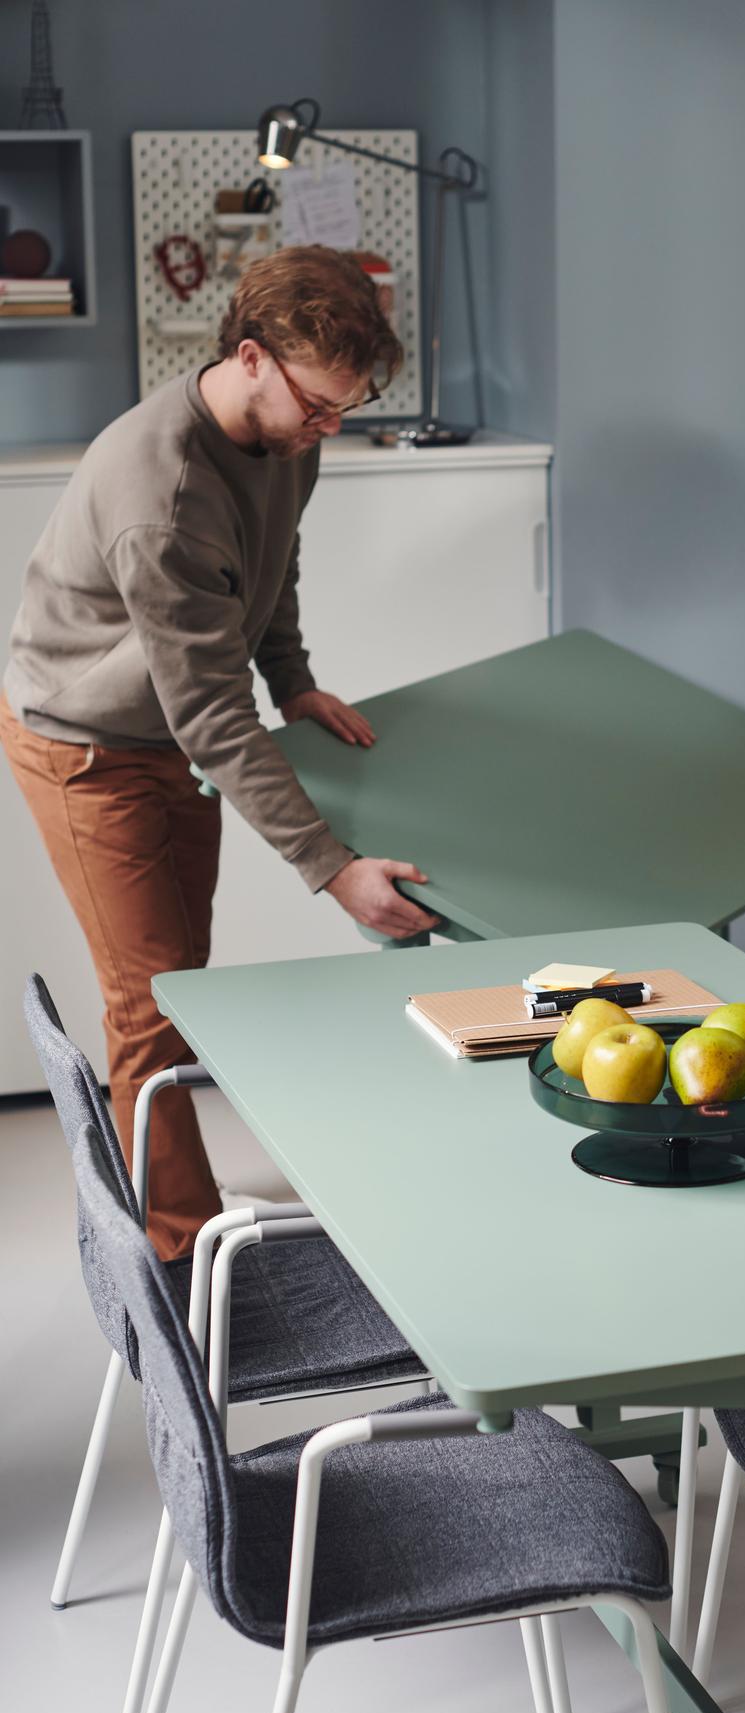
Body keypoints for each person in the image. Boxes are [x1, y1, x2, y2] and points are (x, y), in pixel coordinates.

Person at [1, 245, 440, 1261]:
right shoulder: (162, 491)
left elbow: (271, 562)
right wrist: (331, 872)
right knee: (149, 998)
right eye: (320, 407)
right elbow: (209, 714)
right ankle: (173, 1256)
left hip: (167, 729)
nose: (330, 430)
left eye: (348, 407)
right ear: (251, 358)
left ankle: (158, 1181)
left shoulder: (291, 437)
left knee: (179, 978)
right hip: (84, 743)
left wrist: (292, 678)